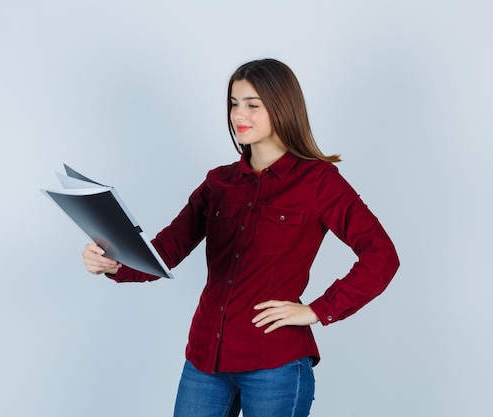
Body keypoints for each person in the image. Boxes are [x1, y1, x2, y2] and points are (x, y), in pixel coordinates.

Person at [81, 58, 399, 417]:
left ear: (281, 108)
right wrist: (113, 262)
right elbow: (167, 250)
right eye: (233, 103)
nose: (238, 114)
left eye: (252, 105)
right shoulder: (219, 182)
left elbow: (382, 256)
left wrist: (317, 310)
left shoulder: (319, 182)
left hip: (274, 366)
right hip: (204, 361)